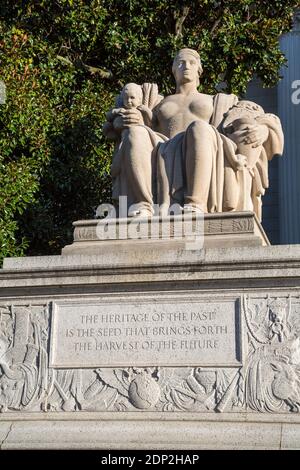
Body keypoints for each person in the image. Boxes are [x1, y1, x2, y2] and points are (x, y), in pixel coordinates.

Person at [104, 48, 284, 220]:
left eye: (191, 62)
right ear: (174, 70)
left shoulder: (218, 101)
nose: (186, 66)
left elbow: (256, 116)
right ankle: (144, 204)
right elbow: (118, 122)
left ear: (199, 70)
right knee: (135, 134)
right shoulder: (157, 103)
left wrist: (263, 129)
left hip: (203, 142)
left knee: (198, 128)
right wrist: (126, 121)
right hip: (163, 148)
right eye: (181, 63)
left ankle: (195, 203)